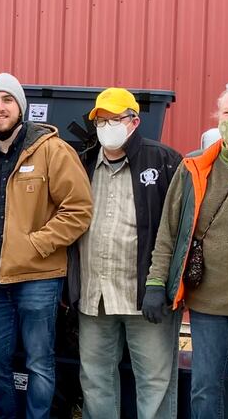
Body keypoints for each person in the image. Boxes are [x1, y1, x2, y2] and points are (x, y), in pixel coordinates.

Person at [143, 82, 228, 419]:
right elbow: (169, 232)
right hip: (207, 307)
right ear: (217, 118)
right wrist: (156, 283)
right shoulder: (193, 167)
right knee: (203, 392)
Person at [0, 72, 93, 419]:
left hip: (39, 277)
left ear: (21, 108)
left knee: (39, 361)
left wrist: (37, 245)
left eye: (7, 100)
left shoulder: (52, 150)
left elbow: (79, 209)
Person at [66, 88, 182, 418]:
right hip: (94, 296)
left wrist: (161, 286)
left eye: (115, 119)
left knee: (155, 382)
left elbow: (177, 230)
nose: (107, 126)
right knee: (95, 379)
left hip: (144, 295)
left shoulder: (164, 161)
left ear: (134, 121)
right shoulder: (84, 164)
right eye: (101, 120)